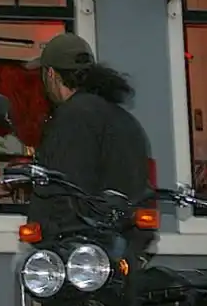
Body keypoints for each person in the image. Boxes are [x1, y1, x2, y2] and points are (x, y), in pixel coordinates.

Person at [24, 32, 152, 236]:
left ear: (51, 74)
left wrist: (45, 235)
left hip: (81, 244)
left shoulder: (72, 118)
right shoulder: (125, 120)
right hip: (125, 242)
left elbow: (61, 190)